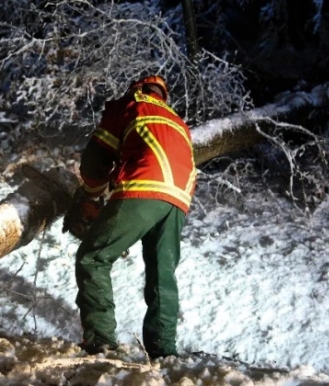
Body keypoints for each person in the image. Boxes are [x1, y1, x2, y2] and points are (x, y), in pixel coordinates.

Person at [68, 75, 197, 359]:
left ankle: (99, 342)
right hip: (179, 197)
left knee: (93, 257)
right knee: (162, 273)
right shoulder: (177, 121)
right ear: (162, 95)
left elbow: (96, 159)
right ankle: (163, 352)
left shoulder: (131, 105)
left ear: (137, 88)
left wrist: (91, 193)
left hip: (143, 186)